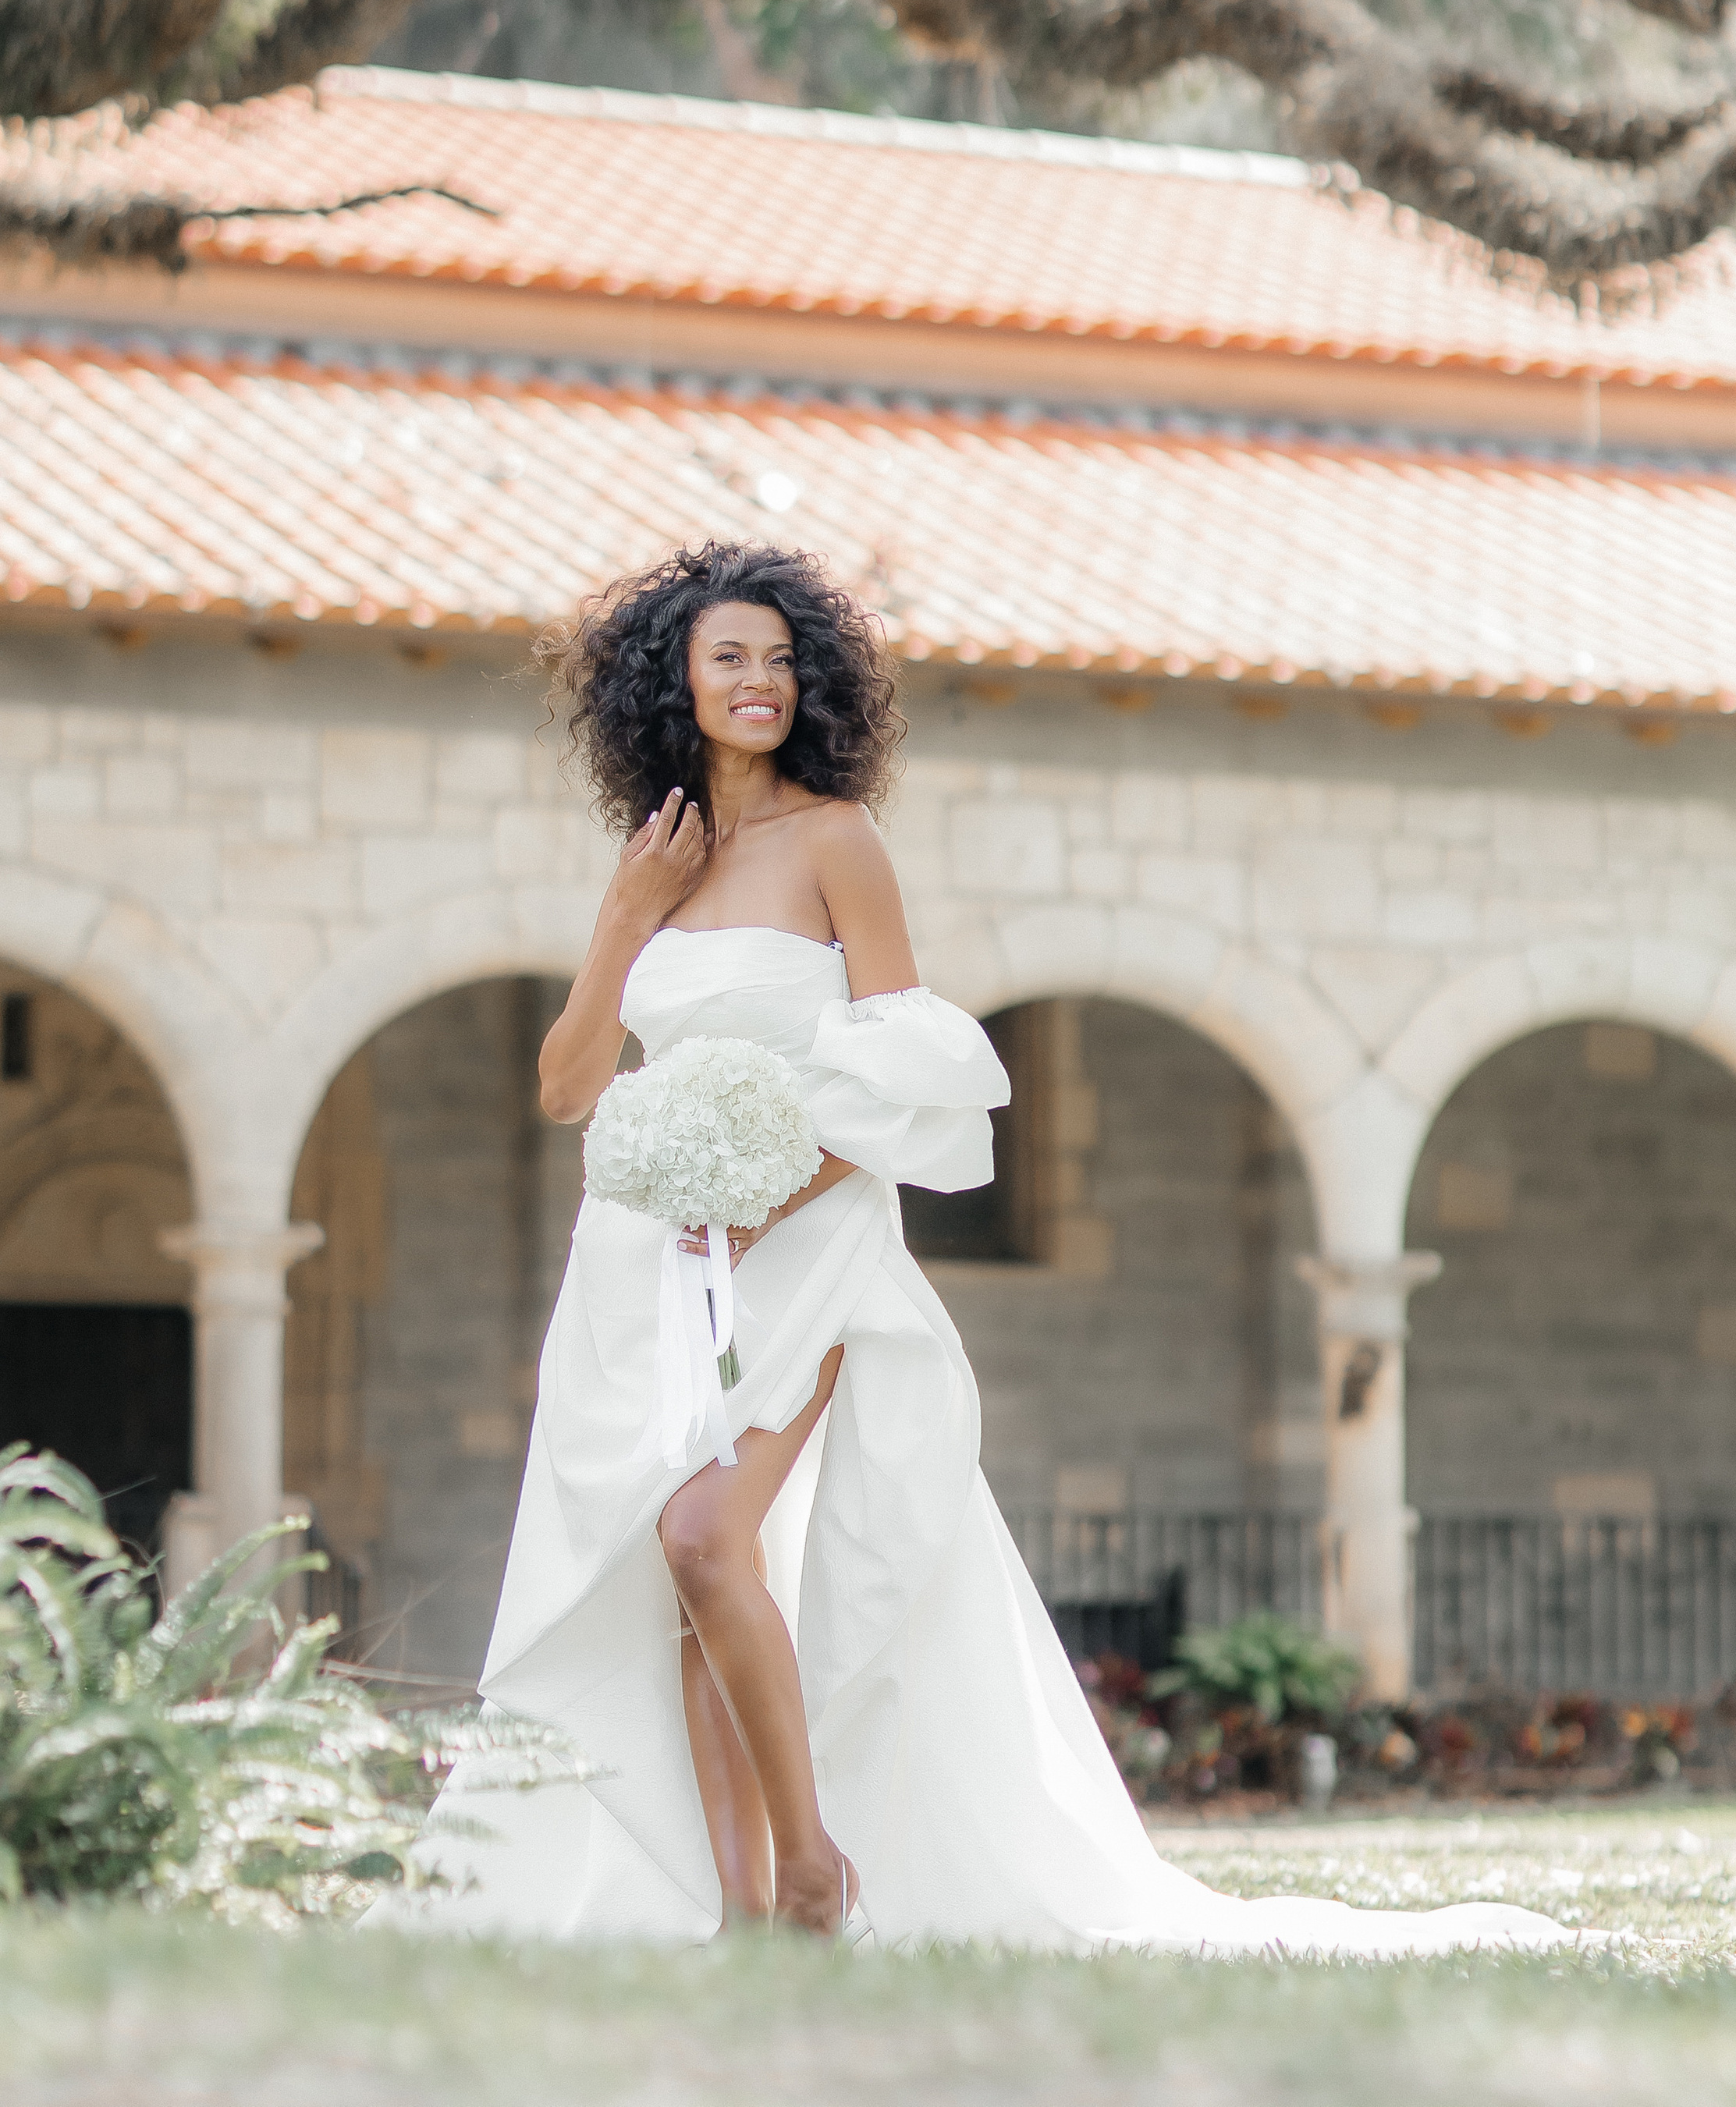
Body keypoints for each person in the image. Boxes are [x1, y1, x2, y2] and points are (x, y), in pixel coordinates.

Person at [375, 541, 1580, 1956]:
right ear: (673, 683)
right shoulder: (652, 862)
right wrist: (624, 919)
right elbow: (572, 1087)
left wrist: (771, 1184)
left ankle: (816, 1868)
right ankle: (748, 1910)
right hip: (649, 1262)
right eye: (728, 658)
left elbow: (918, 1073)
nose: (760, 680)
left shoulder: (838, 842)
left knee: (705, 1539)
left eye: (779, 656)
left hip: (807, 1244)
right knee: (690, 1581)